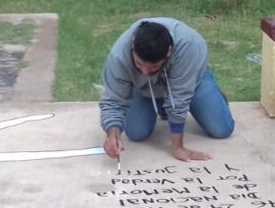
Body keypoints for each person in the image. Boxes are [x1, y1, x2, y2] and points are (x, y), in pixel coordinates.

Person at [100, 18, 235, 162]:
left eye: (153, 67)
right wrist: (112, 132)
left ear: (169, 52)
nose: (145, 72)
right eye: (139, 64)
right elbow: (113, 100)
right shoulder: (118, 57)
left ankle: (213, 96)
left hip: (190, 79)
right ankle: (161, 104)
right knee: (136, 133)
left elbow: (179, 97)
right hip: (144, 88)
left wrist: (177, 147)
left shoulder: (188, 45)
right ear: (133, 43)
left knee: (221, 129)